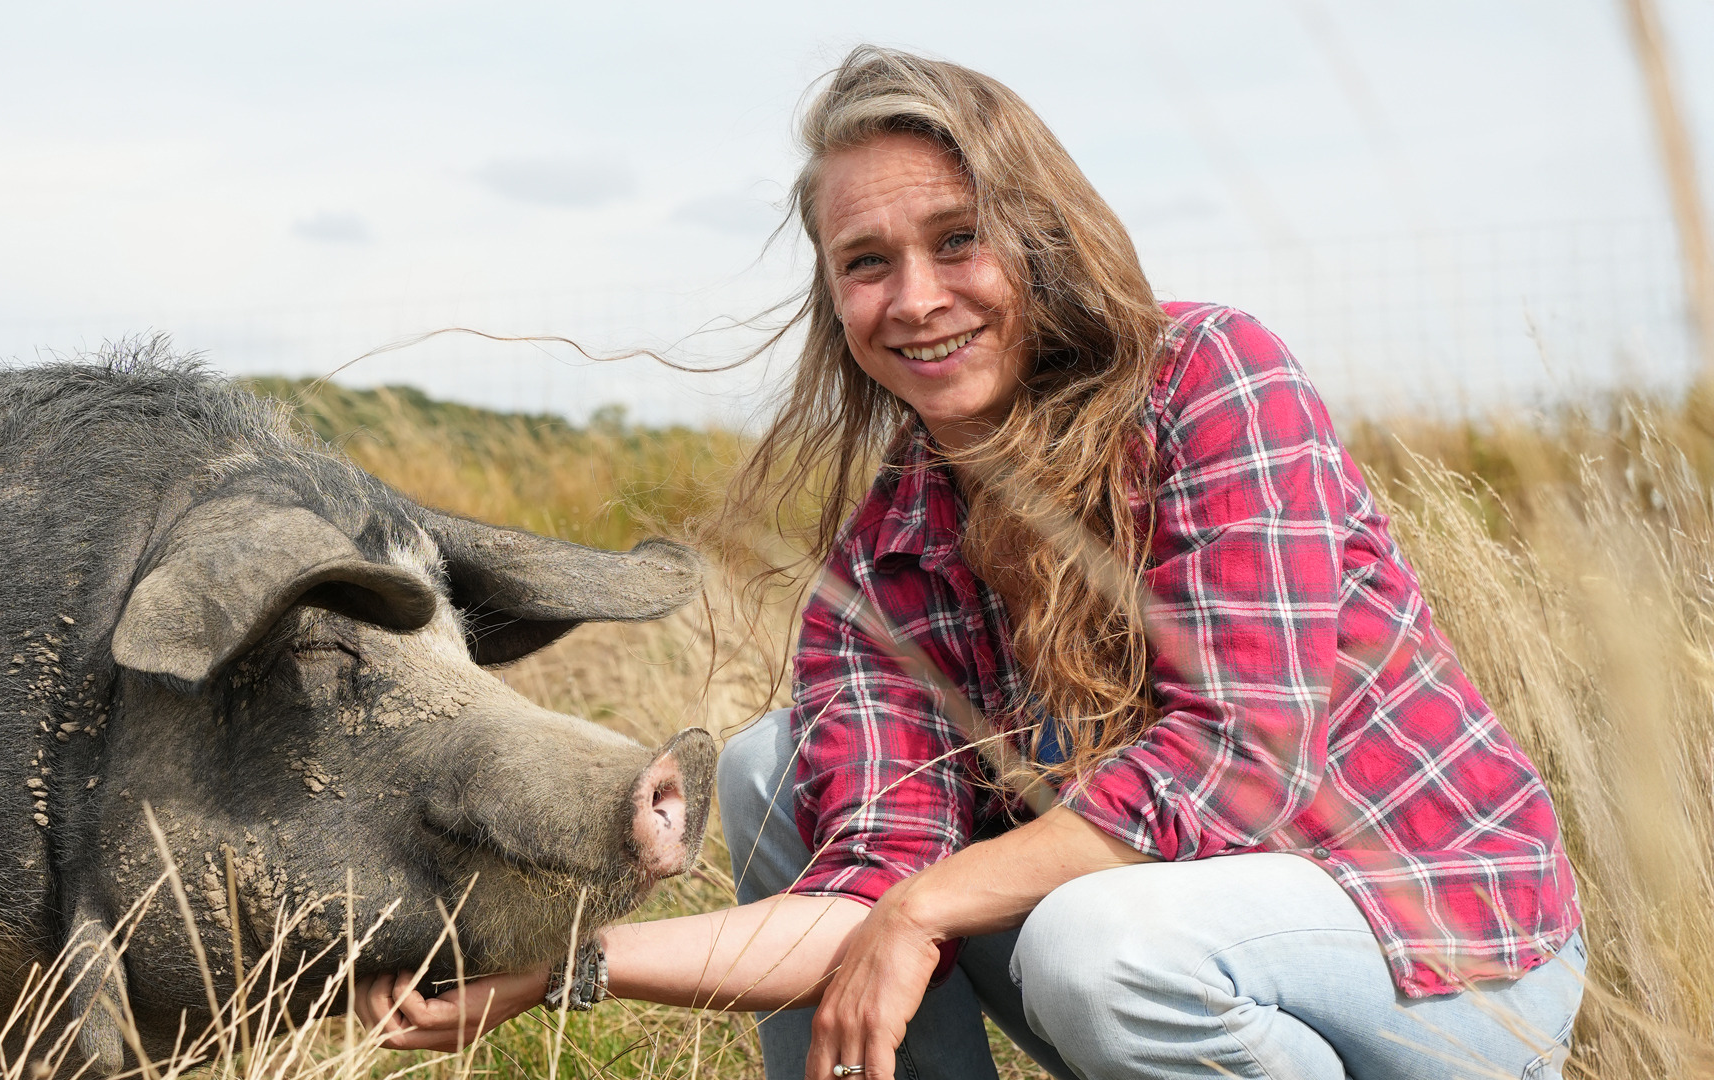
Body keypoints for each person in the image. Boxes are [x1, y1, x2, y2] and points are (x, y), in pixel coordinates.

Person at [356, 47, 1586, 1080]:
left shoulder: (1211, 378)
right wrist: (560, 968)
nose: (918, 297)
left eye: (959, 238)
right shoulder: (886, 547)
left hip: (1443, 959)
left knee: (1095, 945)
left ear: (1040, 236)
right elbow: (868, 881)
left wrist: (930, 906)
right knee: (772, 768)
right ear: (836, 299)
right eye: (867, 262)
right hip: (1167, 943)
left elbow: (1235, 767)